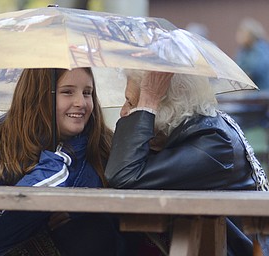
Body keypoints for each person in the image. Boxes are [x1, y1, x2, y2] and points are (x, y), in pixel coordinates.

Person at [0, 68, 126, 256]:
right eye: (67, 92)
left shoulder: (104, 146)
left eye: (87, 93)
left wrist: (75, 217)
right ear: (38, 94)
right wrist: (56, 165)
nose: (81, 102)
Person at [105, 70, 269, 255]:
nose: (123, 111)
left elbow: (124, 175)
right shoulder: (191, 131)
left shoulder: (214, 141)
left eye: (132, 103)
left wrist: (149, 99)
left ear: (166, 106)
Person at [235, 17, 269, 91]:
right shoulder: (243, 51)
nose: (239, 36)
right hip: (252, 93)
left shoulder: (261, 49)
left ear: (251, 34)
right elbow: (236, 68)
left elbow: (256, 70)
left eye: (242, 32)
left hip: (263, 93)